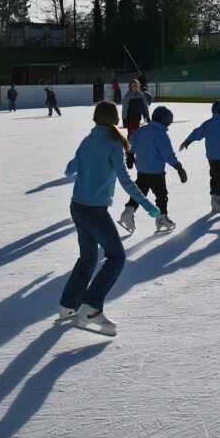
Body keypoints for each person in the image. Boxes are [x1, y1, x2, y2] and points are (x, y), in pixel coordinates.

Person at [58, 101, 160, 336]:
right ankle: (91, 309)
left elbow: (69, 169)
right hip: (95, 211)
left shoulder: (87, 141)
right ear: (115, 119)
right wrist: (148, 207)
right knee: (116, 257)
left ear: (95, 119)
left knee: (88, 257)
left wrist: (80, 164)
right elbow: (125, 181)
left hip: (78, 207)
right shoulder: (113, 143)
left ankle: (67, 306)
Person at [119, 105, 187, 234]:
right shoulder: (161, 134)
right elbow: (167, 153)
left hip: (142, 171)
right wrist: (178, 167)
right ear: (162, 120)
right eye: (168, 121)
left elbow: (130, 143)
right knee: (161, 196)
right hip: (156, 173)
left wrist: (129, 155)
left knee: (139, 194)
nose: (169, 125)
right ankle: (162, 218)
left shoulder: (141, 130)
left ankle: (128, 211)